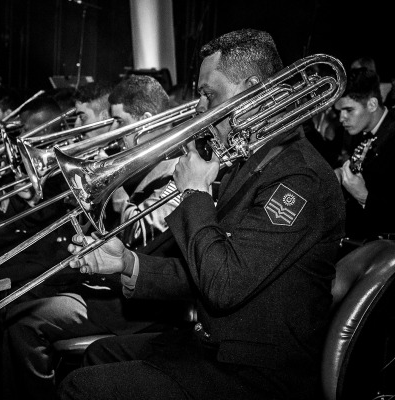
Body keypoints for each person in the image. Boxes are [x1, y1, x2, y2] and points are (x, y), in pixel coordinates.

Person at [58, 28, 346, 400]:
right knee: (99, 355)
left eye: (209, 95)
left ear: (252, 90)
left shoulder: (298, 176)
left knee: (81, 389)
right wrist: (128, 263)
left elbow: (223, 284)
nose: (200, 109)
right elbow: (205, 264)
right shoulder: (252, 163)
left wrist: (195, 192)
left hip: (259, 373)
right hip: (218, 350)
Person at [0, 75, 185, 400]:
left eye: (119, 121)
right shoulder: (141, 165)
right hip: (104, 284)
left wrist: (111, 177)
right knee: (6, 296)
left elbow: (141, 231)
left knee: (23, 321)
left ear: (146, 122)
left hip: (139, 304)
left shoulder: (178, 171)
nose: (114, 132)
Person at [334, 67, 395, 243]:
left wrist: (362, 195)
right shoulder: (361, 130)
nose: (341, 118)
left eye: (349, 110)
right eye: (339, 111)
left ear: (372, 104)